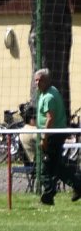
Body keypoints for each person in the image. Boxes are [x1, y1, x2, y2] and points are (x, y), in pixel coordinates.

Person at [34, 68, 81, 205]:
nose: (37, 83)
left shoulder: (49, 96)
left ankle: (48, 195)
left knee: (45, 167)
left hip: (52, 135)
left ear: (47, 80)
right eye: (36, 80)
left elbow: (50, 118)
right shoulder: (48, 92)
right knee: (57, 166)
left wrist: (44, 138)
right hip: (54, 134)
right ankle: (78, 185)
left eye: (40, 80)